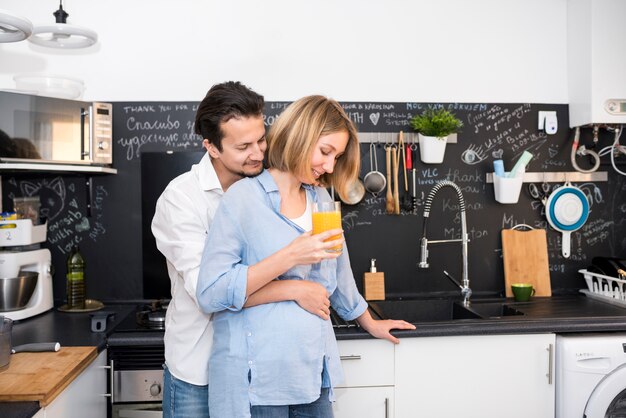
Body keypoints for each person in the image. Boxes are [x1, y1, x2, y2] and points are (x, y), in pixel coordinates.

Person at [196, 95, 415, 418]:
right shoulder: (243, 200)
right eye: (325, 152)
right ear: (300, 136)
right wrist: (291, 257)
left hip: (313, 372)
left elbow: (338, 273)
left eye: (336, 157)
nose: (329, 167)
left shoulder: (321, 199)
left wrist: (370, 322)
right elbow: (211, 292)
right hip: (257, 382)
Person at [152, 82, 332, 418]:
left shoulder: (272, 188)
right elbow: (210, 291)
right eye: (244, 146)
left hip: (258, 366)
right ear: (212, 147)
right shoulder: (181, 200)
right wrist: (294, 288)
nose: (259, 153)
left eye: (261, 139)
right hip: (197, 370)